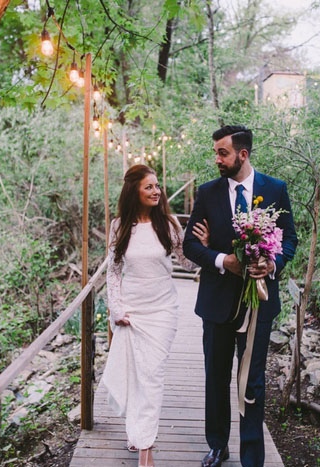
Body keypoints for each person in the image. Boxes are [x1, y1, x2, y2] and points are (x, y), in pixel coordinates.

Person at [183, 125, 298, 467]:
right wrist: (222, 260)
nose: (217, 159)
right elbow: (189, 244)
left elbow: (289, 238)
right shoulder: (207, 193)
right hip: (217, 302)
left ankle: (252, 456)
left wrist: (272, 264)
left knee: (254, 380)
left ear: (242, 155)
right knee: (216, 377)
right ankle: (218, 446)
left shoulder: (275, 189)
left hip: (258, 303)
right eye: (216, 152)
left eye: (223, 153)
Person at [101, 164, 209, 467]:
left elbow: (188, 264)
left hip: (162, 312)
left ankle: (145, 448)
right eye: (149, 186)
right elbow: (113, 271)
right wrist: (117, 308)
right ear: (134, 190)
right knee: (135, 377)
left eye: (157, 186)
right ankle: (137, 432)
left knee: (151, 378)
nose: (156, 191)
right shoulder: (119, 225)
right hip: (131, 313)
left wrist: (204, 247)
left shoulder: (169, 224)